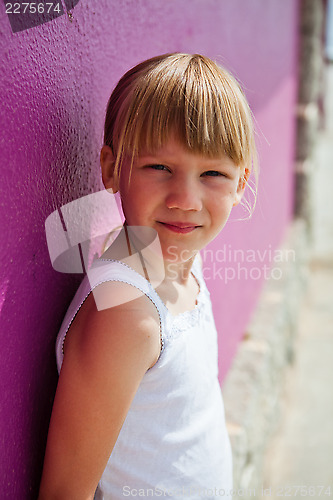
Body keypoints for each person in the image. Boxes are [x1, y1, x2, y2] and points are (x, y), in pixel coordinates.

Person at [38, 53, 258, 500]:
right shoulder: (125, 317)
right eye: (159, 167)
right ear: (110, 167)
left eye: (213, 173)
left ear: (240, 184)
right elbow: (65, 491)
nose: (185, 199)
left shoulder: (179, 256)